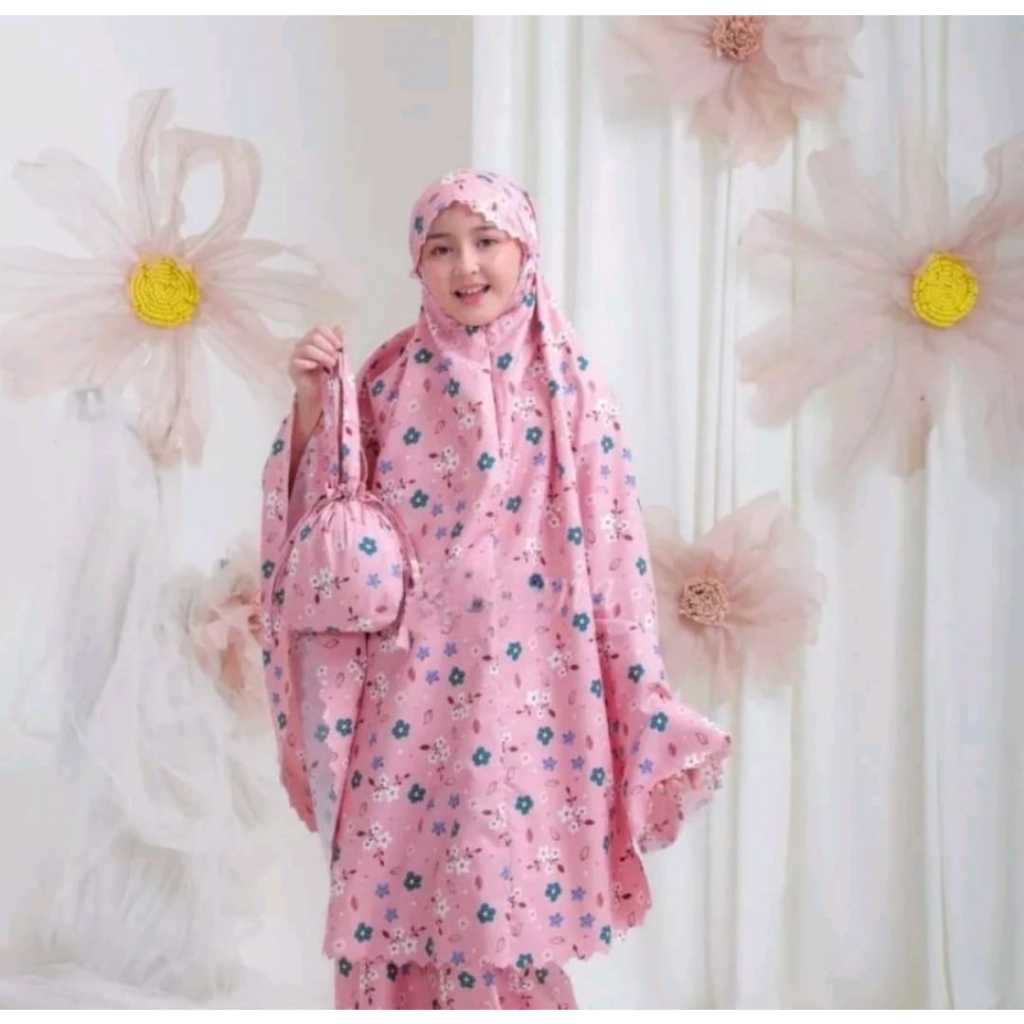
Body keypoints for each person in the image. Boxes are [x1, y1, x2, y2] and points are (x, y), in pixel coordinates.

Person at [259, 170, 733, 1010]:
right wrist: (308, 404)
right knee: (390, 896)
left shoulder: (573, 391)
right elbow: (323, 532)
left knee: (501, 901)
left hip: (531, 696)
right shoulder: (385, 380)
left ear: (526, 250)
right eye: (441, 249)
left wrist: (640, 694)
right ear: (418, 265)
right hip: (404, 690)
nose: (466, 266)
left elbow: (618, 560)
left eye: (487, 242)